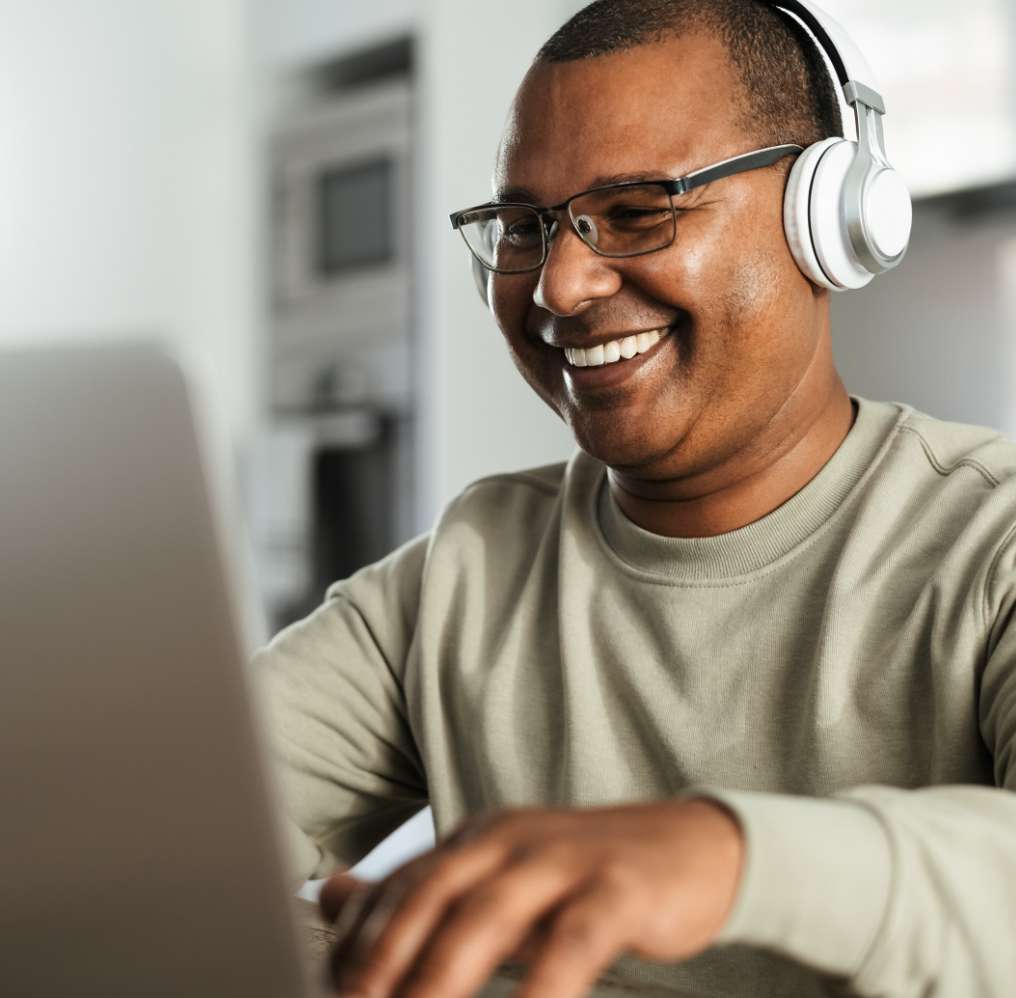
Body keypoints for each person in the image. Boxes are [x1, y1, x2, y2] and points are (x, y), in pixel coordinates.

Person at [254, 1, 1016, 995]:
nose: (558, 285)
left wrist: (720, 854)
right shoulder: (467, 570)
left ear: (827, 220)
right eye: (525, 227)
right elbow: (163, 828)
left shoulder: (988, 543)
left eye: (635, 210)